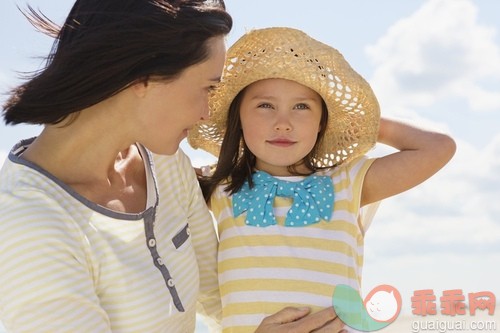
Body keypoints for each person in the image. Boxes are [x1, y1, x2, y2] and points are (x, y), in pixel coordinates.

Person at [0, 3, 342, 333]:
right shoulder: (27, 224)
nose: (207, 112)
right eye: (207, 87)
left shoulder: (167, 166)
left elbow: (223, 299)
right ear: (142, 77)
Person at [188, 27, 457, 333]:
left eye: (302, 107)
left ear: (321, 123)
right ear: (238, 118)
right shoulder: (222, 185)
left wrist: (368, 125)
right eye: (265, 106)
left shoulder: (347, 183)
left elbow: (438, 148)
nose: (283, 123)